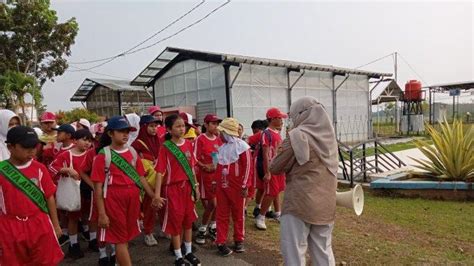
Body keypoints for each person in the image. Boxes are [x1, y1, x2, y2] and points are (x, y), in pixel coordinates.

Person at [270, 96, 338, 266]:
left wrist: (283, 146)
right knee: (323, 250)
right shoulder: (330, 138)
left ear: (302, 114)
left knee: (294, 251)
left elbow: (275, 167)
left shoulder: (297, 136)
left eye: (293, 116)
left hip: (299, 203)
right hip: (326, 203)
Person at [90, 116, 155, 266]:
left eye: (127, 131)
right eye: (121, 131)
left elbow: (141, 178)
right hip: (113, 200)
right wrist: (101, 213)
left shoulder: (132, 152)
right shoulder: (103, 156)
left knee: (125, 237)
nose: (125, 134)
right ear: (110, 133)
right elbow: (98, 188)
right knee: (120, 239)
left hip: (132, 200)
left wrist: (153, 196)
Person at [0, 126, 64, 265]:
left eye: (33, 146)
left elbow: (49, 197)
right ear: (10, 147)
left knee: (46, 260)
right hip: (10, 227)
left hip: (39, 223)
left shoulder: (40, 168)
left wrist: (56, 224)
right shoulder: (1, 170)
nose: (32, 150)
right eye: (25, 146)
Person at [153, 114, 201, 266]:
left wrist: (196, 187)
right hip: (172, 190)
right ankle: (178, 256)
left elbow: (192, 168)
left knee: (188, 221)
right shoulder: (165, 148)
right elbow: (159, 172)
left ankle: (188, 252)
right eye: (178, 126)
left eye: (183, 126)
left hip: (187, 188)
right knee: (176, 223)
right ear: (168, 129)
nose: (182, 129)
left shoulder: (188, 144)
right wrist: (156, 194)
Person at [49, 129, 93, 259]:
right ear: (74, 140)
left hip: (88, 189)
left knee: (88, 215)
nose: (87, 143)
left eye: (89, 140)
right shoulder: (66, 155)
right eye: (84, 139)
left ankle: (93, 240)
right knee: (73, 218)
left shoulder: (91, 154)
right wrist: (66, 169)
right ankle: (74, 245)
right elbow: (51, 168)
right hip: (72, 192)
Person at [214, 118, 252, 256]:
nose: (219, 135)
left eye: (221, 132)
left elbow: (248, 167)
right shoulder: (222, 148)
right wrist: (215, 182)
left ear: (226, 132)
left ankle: (239, 240)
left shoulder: (243, 146)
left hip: (237, 187)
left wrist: (245, 184)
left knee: (238, 214)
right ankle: (221, 241)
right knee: (221, 214)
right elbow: (219, 167)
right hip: (222, 186)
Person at [255, 107, 288, 230]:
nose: (281, 121)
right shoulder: (266, 133)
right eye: (279, 118)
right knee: (271, 192)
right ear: (273, 119)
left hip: (278, 167)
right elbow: (266, 154)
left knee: (277, 190)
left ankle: (278, 213)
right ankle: (261, 216)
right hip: (272, 168)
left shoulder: (277, 133)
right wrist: (267, 172)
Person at [131, 115, 161, 247]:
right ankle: (148, 233)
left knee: (162, 204)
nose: (154, 129)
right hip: (146, 180)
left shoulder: (158, 141)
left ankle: (164, 229)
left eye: (156, 126)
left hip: (159, 178)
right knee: (150, 206)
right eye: (151, 126)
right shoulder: (136, 144)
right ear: (143, 127)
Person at [194, 114, 222, 245]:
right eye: (213, 123)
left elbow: (218, 156)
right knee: (213, 204)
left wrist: (215, 165)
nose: (215, 126)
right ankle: (202, 228)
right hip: (206, 176)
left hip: (216, 175)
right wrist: (204, 166)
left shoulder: (218, 139)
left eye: (217, 123)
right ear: (205, 125)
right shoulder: (200, 139)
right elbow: (194, 158)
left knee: (217, 204)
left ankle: (213, 226)